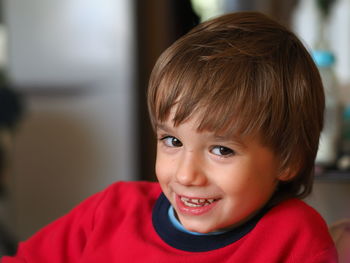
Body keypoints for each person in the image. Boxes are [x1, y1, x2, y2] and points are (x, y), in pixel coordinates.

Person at [2, 12, 337, 262]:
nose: (185, 175)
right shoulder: (111, 212)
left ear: (288, 159)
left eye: (221, 150)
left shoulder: (295, 238)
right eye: (173, 142)